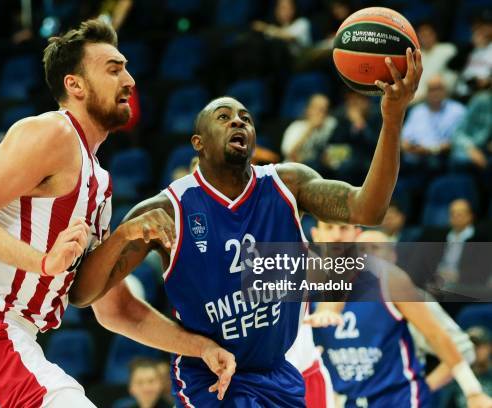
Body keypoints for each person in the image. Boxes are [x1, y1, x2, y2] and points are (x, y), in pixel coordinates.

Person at [71, 48, 424, 406]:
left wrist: (392, 118)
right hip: (209, 379)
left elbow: (369, 209)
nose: (238, 121)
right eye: (223, 117)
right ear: (199, 143)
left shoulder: (289, 185)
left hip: (279, 374)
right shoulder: (169, 209)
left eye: (246, 118)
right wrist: (123, 235)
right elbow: (83, 294)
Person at [0, 19, 235, 408]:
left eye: (127, 67)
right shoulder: (52, 133)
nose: (130, 79)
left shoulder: (98, 181)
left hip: (7, 338)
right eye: (114, 68)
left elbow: (111, 307)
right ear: (75, 85)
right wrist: (44, 261)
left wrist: (199, 347)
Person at [310, 222, 492, 408]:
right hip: (350, 399)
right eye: (329, 228)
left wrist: (472, 391)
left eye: (343, 228)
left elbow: (442, 337)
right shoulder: (306, 286)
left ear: (355, 235)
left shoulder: (391, 281)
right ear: (315, 234)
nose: (336, 236)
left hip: (400, 398)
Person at [401, 74, 466, 176]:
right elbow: (404, 141)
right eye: (432, 89)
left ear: (446, 90)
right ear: (426, 92)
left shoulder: (457, 111)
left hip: (441, 160)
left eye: (439, 89)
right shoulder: (417, 111)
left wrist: (431, 150)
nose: (435, 93)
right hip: (414, 161)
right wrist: (409, 147)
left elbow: (457, 141)